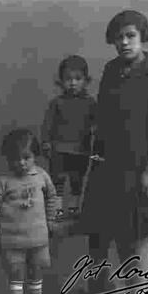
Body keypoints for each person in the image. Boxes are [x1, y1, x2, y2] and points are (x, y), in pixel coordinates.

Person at [82, 10, 148, 294]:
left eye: (130, 35)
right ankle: (103, 288)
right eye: (118, 37)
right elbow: (104, 118)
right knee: (101, 229)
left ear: (142, 35)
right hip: (106, 164)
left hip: (137, 167)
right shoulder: (111, 70)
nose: (123, 42)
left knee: (136, 234)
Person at [0, 128, 57, 294]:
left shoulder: (42, 176)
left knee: (36, 272)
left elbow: (52, 197)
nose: (21, 163)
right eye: (15, 159)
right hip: (12, 240)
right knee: (17, 273)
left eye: (26, 158)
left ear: (35, 156)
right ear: (7, 159)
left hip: (38, 238)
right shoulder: (2, 181)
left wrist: (50, 220)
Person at [41, 55, 97, 216]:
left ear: (86, 80)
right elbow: (47, 125)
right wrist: (46, 142)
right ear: (61, 81)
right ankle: (57, 210)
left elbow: (98, 123)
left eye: (78, 79)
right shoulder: (56, 103)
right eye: (68, 79)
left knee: (76, 181)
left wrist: (96, 131)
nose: (73, 83)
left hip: (81, 150)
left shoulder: (91, 103)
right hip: (59, 150)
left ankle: (74, 209)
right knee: (57, 181)